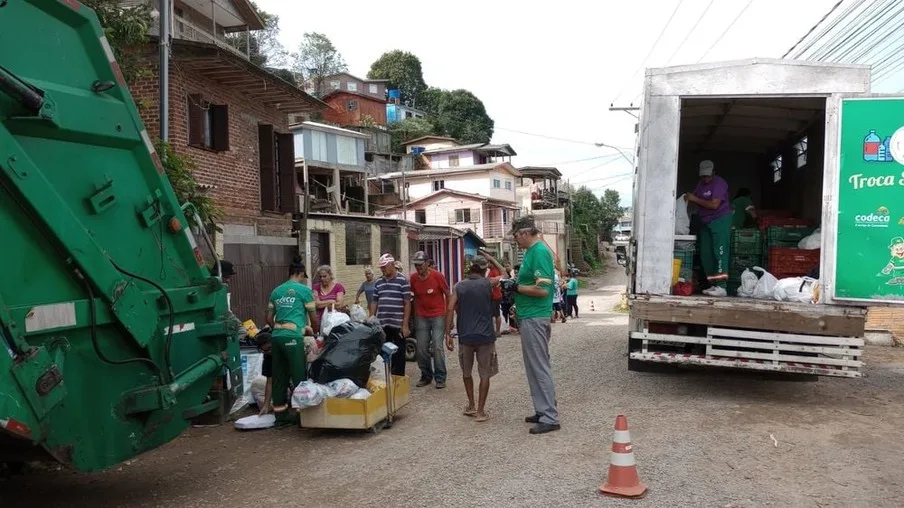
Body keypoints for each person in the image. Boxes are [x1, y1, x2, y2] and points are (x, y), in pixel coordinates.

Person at [510, 216, 560, 434]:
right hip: (528, 314)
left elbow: (543, 290)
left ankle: (550, 416)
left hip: (535, 316)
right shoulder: (530, 252)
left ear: (524, 233)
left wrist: (516, 288)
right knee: (533, 366)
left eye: (515, 236)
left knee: (539, 366)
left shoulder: (539, 252)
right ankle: (542, 409)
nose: (515, 241)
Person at [445, 256, 499, 423]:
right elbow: (505, 274)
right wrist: (493, 260)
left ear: (470, 269)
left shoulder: (459, 286)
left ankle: (471, 405)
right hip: (485, 336)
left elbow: (450, 307)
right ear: (483, 269)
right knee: (484, 374)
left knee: (466, 372)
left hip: (466, 336)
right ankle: (481, 412)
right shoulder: (488, 283)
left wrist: (448, 333)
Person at [266, 258, 317, 428]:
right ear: (301, 274)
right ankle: (303, 416)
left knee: (279, 376)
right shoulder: (304, 291)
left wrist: (279, 330)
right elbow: (313, 318)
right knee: (299, 376)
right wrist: (316, 333)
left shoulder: (276, 291)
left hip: (276, 337)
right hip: (293, 337)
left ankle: (280, 418)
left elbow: (268, 318)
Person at [685, 160, 732, 297]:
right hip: (705, 222)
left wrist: (694, 199)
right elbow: (694, 196)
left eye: (708, 176)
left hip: (720, 220)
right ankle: (713, 284)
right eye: (703, 176)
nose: (706, 179)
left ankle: (722, 286)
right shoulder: (701, 184)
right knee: (706, 254)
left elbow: (714, 205)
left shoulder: (719, 183)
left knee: (720, 252)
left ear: (713, 173)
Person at [409, 251, 450, 388]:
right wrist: (414, 317)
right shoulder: (413, 279)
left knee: (437, 346)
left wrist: (449, 315)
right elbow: (413, 297)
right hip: (421, 316)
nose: (418, 268)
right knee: (421, 348)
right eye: (416, 265)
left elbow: (448, 295)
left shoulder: (438, 276)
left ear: (427, 263)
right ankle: (426, 375)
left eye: (420, 265)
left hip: (438, 315)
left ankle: (440, 377)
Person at [370, 253, 411, 377]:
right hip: (383, 323)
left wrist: (405, 324)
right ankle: (384, 377)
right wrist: (371, 318)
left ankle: (398, 378)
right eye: (381, 267)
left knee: (399, 353)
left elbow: (407, 303)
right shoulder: (378, 282)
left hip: (397, 323)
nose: (382, 270)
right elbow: (374, 301)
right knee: (383, 352)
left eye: (384, 267)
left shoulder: (402, 281)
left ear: (392, 265)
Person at [478, 248, 506, 336]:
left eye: (488, 262)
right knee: (493, 313)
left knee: (496, 313)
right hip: (493, 295)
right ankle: (494, 330)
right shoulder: (492, 271)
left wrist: (489, 284)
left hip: (495, 295)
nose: (487, 264)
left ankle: (497, 331)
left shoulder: (495, 271)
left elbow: (499, 280)